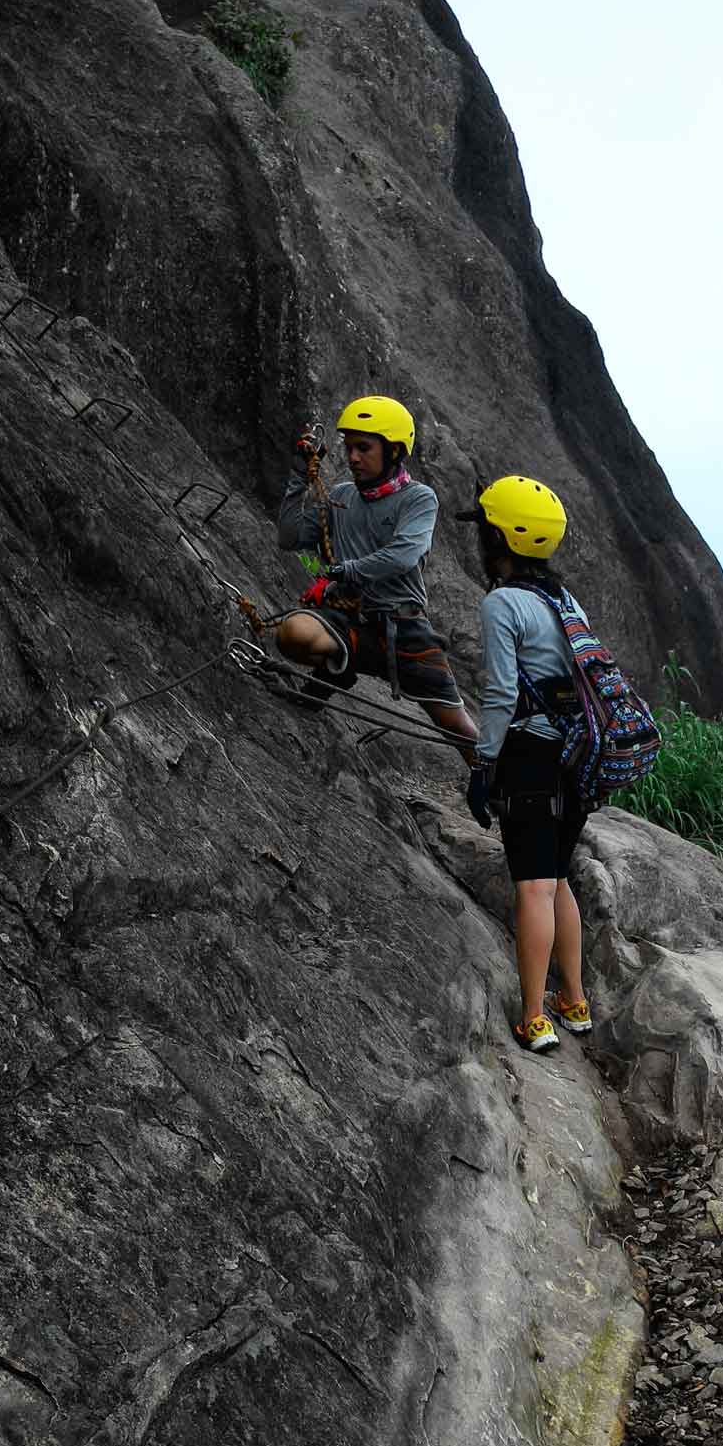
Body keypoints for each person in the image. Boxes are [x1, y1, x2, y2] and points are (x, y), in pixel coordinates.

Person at [457, 475, 594, 1054]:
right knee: (559, 879)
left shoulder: (502, 603)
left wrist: (483, 764)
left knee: (533, 886)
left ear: (499, 539)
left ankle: (535, 1016)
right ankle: (576, 1001)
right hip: (577, 754)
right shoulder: (565, 601)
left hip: (532, 755)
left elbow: (499, 693)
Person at [275, 394, 478, 745]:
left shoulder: (418, 498)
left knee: (460, 731)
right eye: (350, 447)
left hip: (404, 627)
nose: (353, 457)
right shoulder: (341, 496)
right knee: (293, 633)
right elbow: (290, 537)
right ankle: (340, 666)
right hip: (354, 619)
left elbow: (402, 555)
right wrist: (298, 476)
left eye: (363, 448)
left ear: (395, 451)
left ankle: (498, 793)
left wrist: (343, 572)